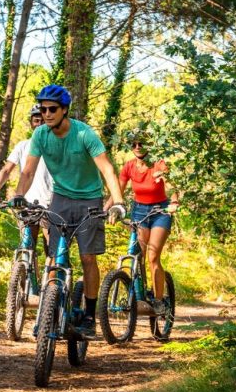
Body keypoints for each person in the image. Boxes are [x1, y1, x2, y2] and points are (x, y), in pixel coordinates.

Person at [12, 85, 126, 338]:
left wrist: (117, 201)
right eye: (43, 109)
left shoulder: (84, 134)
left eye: (52, 109)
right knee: (53, 258)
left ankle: (88, 316)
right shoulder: (40, 135)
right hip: (60, 198)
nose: (47, 113)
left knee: (88, 258)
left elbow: (107, 169)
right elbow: (28, 171)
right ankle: (47, 311)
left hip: (89, 199)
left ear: (65, 110)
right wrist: (19, 195)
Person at [115, 126, 179, 315]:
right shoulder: (128, 166)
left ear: (149, 144)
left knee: (152, 256)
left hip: (160, 210)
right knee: (138, 255)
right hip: (139, 211)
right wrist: (107, 208)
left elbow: (172, 184)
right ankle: (140, 294)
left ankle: (159, 300)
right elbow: (117, 189)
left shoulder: (158, 164)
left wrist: (174, 201)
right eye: (133, 144)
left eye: (141, 143)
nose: (137, 146)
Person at [0, 105, 54, 257]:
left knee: (51, 250)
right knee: (26, 250)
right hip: (26, 203)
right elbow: (6, 170)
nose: (39, 124)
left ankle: (50, 280)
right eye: (36, 120)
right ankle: (28, 278)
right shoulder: (23, 146)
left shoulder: (56, 145)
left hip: (50, 204)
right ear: (31, 123)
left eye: (43, 121)